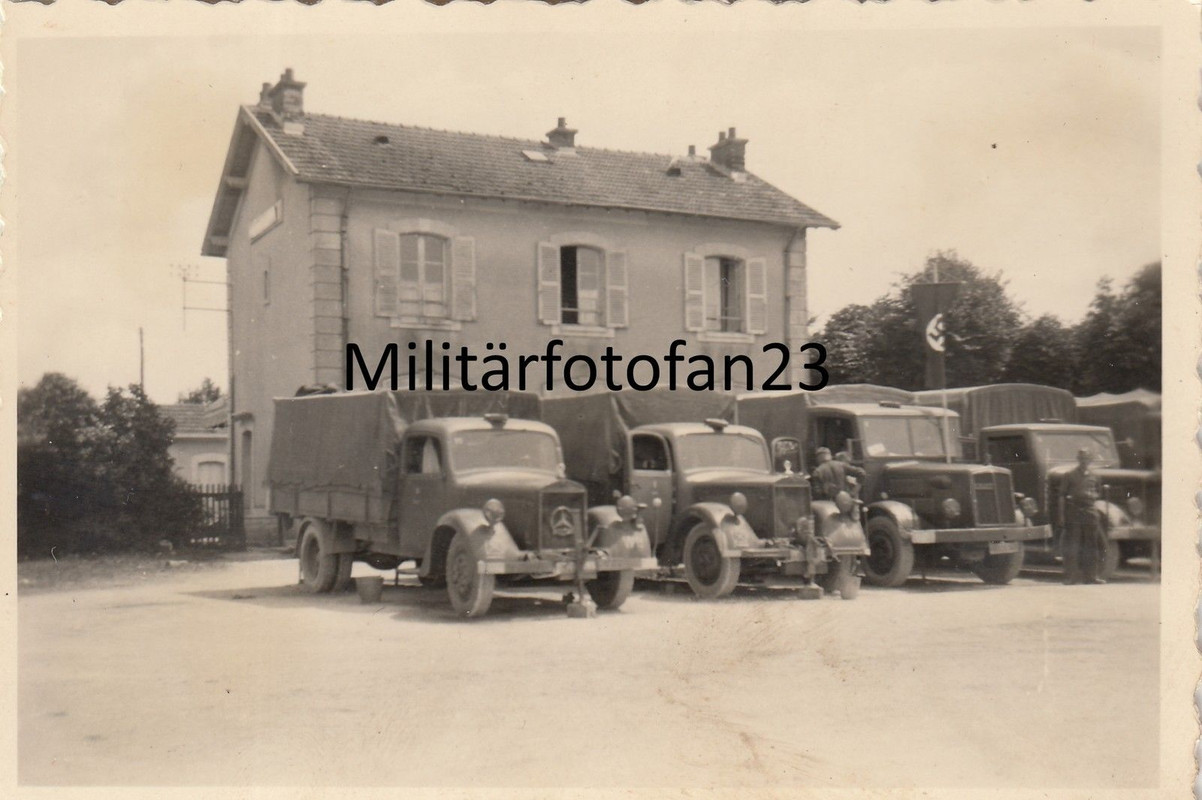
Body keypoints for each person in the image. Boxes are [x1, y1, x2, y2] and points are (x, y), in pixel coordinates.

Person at [1059, 447, 1105, 584]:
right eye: (1082, 458)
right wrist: (1061, 516)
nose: (1084, 461)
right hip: (1074, 511)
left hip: (1090, 512)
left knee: (1091, 545)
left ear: (1090, 460)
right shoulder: (1069, 475)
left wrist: (1090, 498)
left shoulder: (1095, 476)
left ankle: (1091, 577)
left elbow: (1098, 492)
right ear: (1078, 459)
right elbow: (1061, 496)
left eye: (1087, 458)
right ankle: (1070, 577)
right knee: (1073, 545)